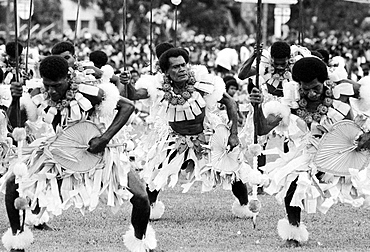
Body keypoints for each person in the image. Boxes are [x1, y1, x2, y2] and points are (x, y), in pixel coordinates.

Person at [1, 55, 157, 252]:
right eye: (47, 84)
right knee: (13, 185)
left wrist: (104, 139)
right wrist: (15, 100)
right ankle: (17, 242)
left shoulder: (89, 92)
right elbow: (15, 124)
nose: (51, 90)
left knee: (141, 196)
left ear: (68, 77)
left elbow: (128, 106)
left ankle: (141, 243)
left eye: (56, 85)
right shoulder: (38, 94)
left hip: (95, 151)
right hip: (58, 152)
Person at [121, 47, 262, 221]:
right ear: (165, 72)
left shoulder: (201, 83)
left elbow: (230, 102)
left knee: (232, 172)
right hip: (175, 138)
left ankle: (243, 206)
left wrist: (233, 133)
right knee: (158, 173)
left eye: (183, 65)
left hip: (206, 134)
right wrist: (127, 83)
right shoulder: (158, 87)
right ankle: (150, 208)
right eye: (175, 67)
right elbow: (134, 94)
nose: (181, 70)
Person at [257, 57, 370, 247]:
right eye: (305, 88)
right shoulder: (292, 99)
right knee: (292, 186)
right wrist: (256, 107)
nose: (311, 93)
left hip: (353, 148)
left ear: (325, 81)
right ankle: (293, 234)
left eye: (315, 87)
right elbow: (262, 130)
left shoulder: (343, 88)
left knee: (363, 191)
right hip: (315, 151)